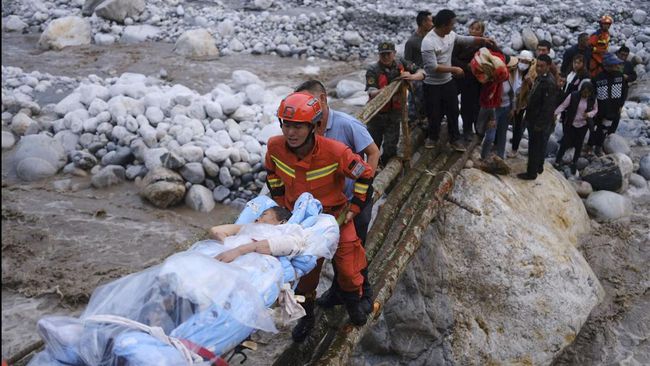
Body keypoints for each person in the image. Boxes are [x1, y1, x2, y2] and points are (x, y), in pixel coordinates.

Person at [265, 92, 375, 341]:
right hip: (301, 224)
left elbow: (365, 174)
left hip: (336, 218)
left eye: (298, 126)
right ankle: (307, 316)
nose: (291, 132)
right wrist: (281, 203)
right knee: (305, 277)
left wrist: (354, 209)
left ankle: (353, 304)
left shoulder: (335, 151)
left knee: (349, 268)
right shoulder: (274, 147)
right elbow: (271, 173)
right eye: (286, 125)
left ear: (314, 126)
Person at [293, 79, 378, 321]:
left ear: (322, 100)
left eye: (309, 101)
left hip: (353, 201)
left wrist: (363, 189)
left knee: (354, 249)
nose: (305, 106)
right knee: (319, 254)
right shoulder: (303, 127)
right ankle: (335, 293)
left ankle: (364, 295)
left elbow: (373, 152)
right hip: (323, 207)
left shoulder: (347, 124)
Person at [421, 9, 494, 151]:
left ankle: (455, 139)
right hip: (432, 84)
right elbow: (432, 67)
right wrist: (454, 69)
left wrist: (483, 40)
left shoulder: (450, 35)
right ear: (443, 25)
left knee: (453, 111)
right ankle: (432, 137)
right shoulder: (428, 42)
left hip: (448, 82)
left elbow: (463, 39)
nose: (453, 27)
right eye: (451, 24)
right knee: (434, 113)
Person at [365, 41, 421, 165]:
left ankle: (386, 167)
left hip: (394, 113)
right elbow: (371, 90)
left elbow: (421, 72)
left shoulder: (401, 63)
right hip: (377, 113)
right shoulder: (373, 69)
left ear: (394, 53)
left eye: (388, 54)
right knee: (373, 145)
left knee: (391, 146)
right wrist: (384, 92)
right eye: (382, 54)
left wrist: (411, 77)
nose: (385, 57)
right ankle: (371, 170)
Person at [517, 54, 557, 180]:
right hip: (533, 117)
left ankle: (531, 172)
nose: (538, 68)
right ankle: (538, 166)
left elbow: (547, 107)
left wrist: (539, 125)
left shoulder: (549, 83)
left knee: (534, 147)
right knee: (536, 146)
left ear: (548, 66)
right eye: (537, 66)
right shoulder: (541, 78)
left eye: (542, 66)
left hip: (538, 121)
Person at [210, 206, 297, 262]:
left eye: (264, 215)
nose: (256, 219)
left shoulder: (285, 235)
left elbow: (286, 244)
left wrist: (237, 251)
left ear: (282, 223)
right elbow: (216, 230)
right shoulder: (248, 229)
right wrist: (228, 245)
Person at [553, 80, 598, 174]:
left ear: (590, 92)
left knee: (579, 145)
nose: (585, 95)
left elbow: (595, 110)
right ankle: (557, 161)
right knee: (565, 142)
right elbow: (563, 105)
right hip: (571, 123)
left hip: (583, 125)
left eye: (587, 93)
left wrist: (589, 114)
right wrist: (555, 113)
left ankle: (574, 163)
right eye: (583, 92)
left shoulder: (592, 99)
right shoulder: (573, 95)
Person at [588, 53, 628, 156]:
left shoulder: (620, 76)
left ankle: (605, 146)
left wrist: (621, 105)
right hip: (601, 110)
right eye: (614, 65)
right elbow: (593, 95)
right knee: (599, 129)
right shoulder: (598, 78)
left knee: (610, 130)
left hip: (615, 110)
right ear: (607, 66)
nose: (616, 66)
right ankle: (594, 146)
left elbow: (624, 91)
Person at [452, 20, 485, 142]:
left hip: (478, 80)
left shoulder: (484, 45)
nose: (474, 31)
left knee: (477, 105)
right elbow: (452, 59)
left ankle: (478, 131)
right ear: (469, 30)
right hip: (462, 77)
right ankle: (467, 130)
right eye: (472, 28)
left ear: (482, 32)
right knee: (466, 105)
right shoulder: (462, 43)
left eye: (478, 29)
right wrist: (466, 66)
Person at [404, 10, 433, 123]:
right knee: (415, 103)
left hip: (431, 75)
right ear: (423, 22)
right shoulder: (412, 42)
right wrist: (417, 71)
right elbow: (407, 62)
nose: (432, 24)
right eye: (430, 21)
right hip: (418, 79)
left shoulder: (431, 38)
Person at [509, 50, 535, 157]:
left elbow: (533, 91)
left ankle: (514, 148)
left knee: (517, 125)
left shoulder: (531, 74)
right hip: (509, 99)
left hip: (520, 103)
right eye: (521, 61)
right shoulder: (512, 69)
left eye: (526, 62)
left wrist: (530, 83)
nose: (523, 63)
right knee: (502, 120)